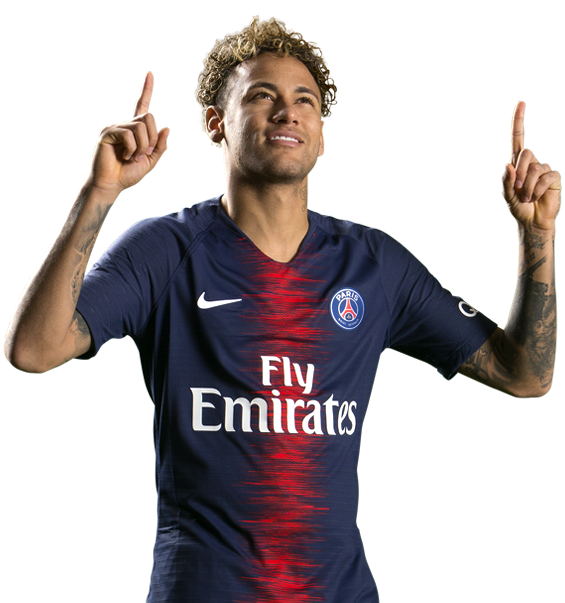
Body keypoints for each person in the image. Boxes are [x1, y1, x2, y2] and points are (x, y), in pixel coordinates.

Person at [4, 18, 559, 603]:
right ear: (217, 123)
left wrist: (537, 237)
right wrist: (98, 193)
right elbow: (35, 349)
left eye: (305, 101)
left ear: (320, 137)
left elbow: (525, 373)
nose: (287, 112)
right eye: (262, 96)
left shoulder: (375, 265)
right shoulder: (165, 251)